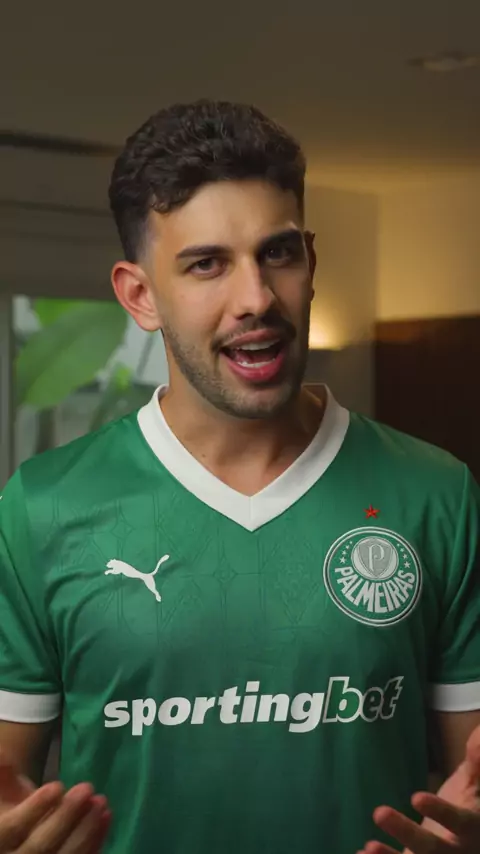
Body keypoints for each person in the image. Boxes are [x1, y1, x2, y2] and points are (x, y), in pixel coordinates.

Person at [0, 100, 479, 854]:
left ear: (311, 263)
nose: (256, 298)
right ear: (139, 296)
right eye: (207, 264)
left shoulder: (436, 493)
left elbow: (469, 784)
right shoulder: (43, 506)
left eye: (277, 253)